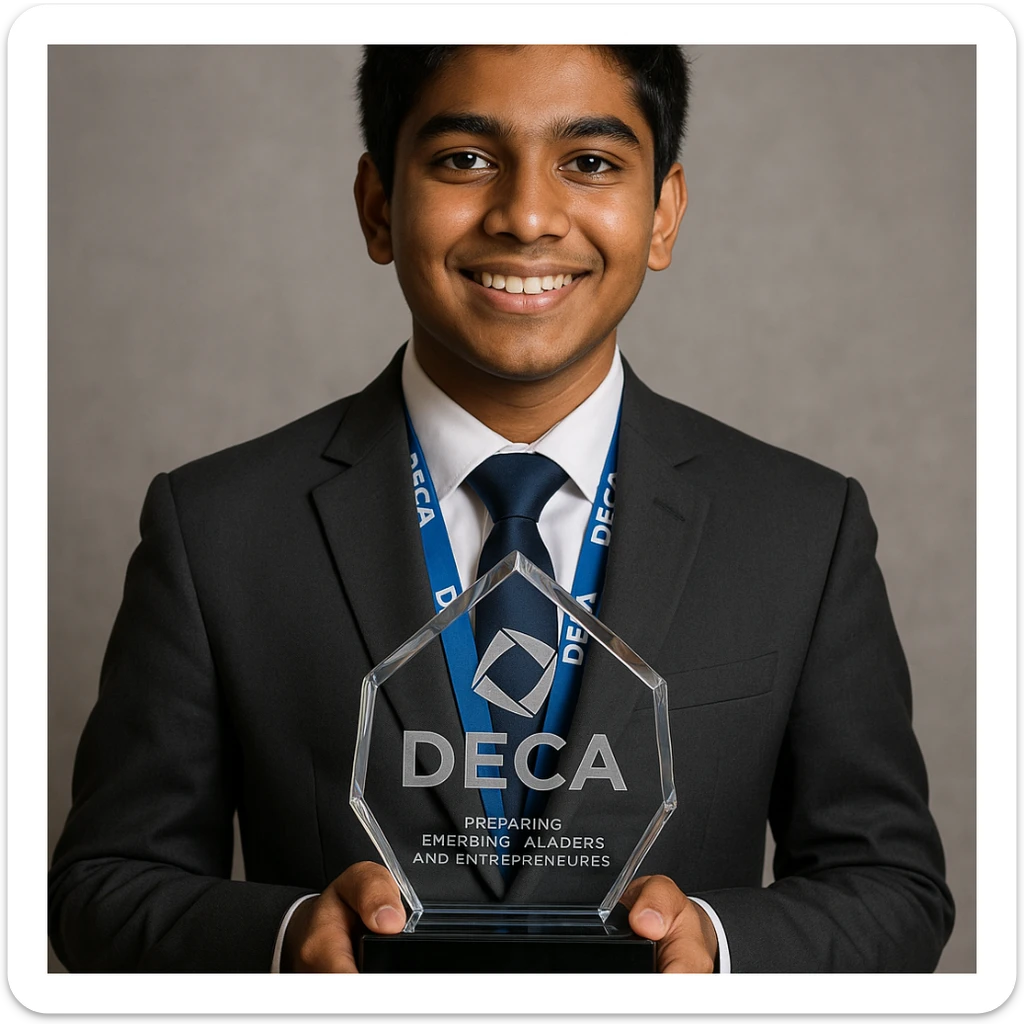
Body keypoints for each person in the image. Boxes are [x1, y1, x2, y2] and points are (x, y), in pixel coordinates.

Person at [48, 44, 954, 974]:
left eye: (591, 163)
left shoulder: (801, 528)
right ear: (376, 205)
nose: (526, 217)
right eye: (464, 160)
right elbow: (104, 887)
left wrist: (719, 951)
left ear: (663, 213)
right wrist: (286, 940)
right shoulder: (217, 527)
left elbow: (893, 887)